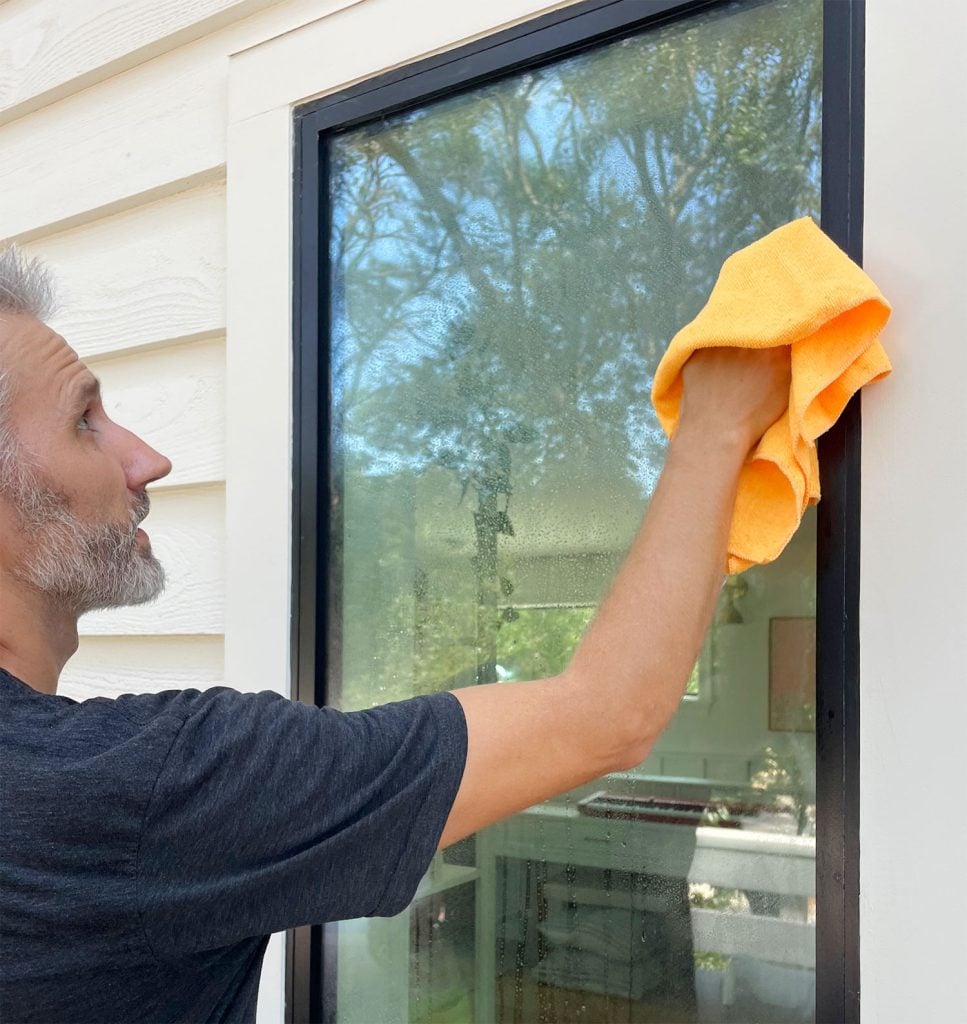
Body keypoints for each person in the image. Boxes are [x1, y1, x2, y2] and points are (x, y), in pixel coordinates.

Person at [0, 247, 790, 1023]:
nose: (150, 458)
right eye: (84, 421)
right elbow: (605, 714)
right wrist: (718, 422)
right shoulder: (144, 790)